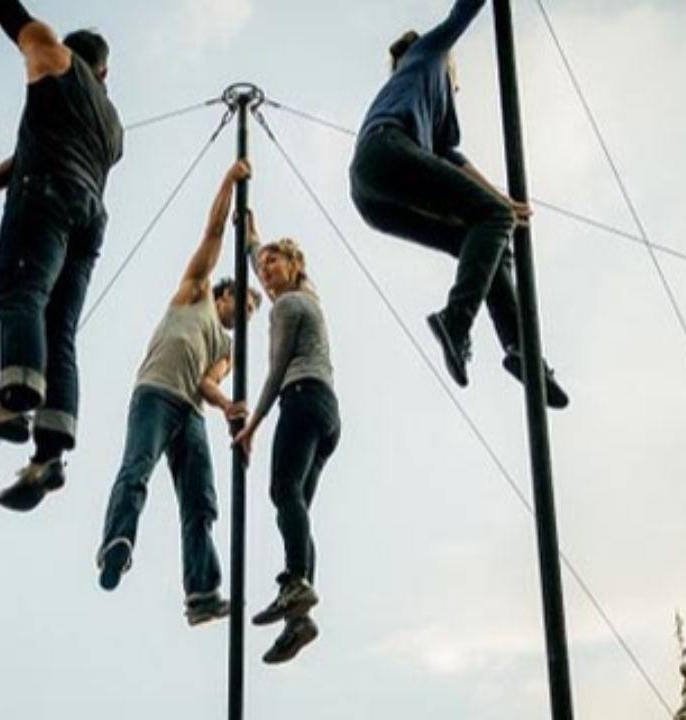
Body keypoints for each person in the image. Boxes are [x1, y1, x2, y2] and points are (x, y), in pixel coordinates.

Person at [0, 0, 125, 510]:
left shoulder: (53, 57)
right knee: (59, 329)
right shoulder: (112, 124)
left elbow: (18, 22)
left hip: (48, 197)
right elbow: (28, 153)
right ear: (105, 73)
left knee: (19, 291)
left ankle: (14, 404)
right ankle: (50, 455)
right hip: (89, 217)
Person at [348, 0, 569, 409]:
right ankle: (456, 320)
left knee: (481, 234)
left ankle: (521, 349)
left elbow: (452, 157)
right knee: (494, 218)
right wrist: (499, 209)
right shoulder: (430, 52)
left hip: (370, 193)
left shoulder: (434, 116)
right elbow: (460, 14)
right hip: (386, 151)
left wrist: (499, 201)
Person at [96, 160, 260, 626]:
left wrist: (228, 405)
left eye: (251, 310)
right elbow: (212, 232)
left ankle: (202, 591)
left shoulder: (228, 347)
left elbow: (210, 384)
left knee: (201, 501)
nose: (245, 311)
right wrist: (230, 180)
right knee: (137, 469)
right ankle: (117, 543)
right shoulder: (197, 291)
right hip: (154, 393)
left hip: (189, 410)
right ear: (226, 294)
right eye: (244, 302)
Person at [234, 218, 340, 665]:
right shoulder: (310, 298)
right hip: (328, 412)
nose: (265, 270)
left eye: (273, 262)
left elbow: (276, 370)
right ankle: (300, 615)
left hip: (299, 398)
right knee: (295, 505)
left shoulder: (286, 306)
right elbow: (259, 255)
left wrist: (252, 425)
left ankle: (296, 582)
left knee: (283, 492)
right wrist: (251, 235)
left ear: (295, 264)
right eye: (262, 266)